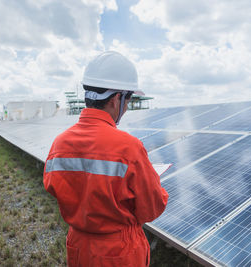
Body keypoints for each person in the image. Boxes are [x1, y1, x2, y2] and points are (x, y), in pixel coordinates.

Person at [43, 51, 169, 267]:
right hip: (118, 253)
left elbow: (56, 186)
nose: (128, 106)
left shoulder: (59, 144)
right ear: (116, 98)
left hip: (78, 245)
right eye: (129, 98)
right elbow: (152, 207)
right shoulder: (128, 147)